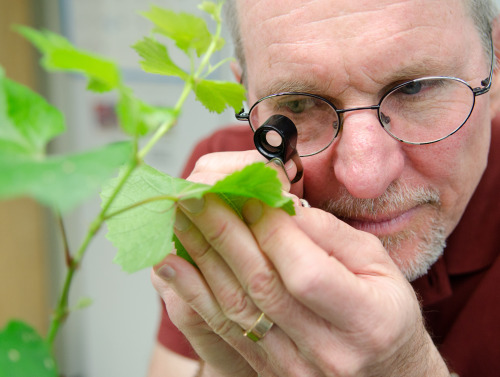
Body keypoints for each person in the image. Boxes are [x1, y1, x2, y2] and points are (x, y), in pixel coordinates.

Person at [148, 0, 500, 376]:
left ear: (496, 66)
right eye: (298, 104)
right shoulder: (229, 184)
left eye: (414, 89)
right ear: (248, 99)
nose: (365, 179)